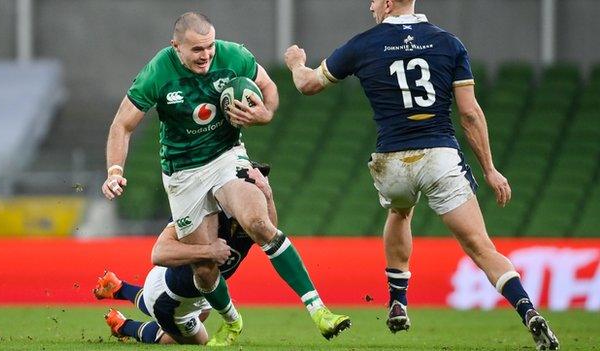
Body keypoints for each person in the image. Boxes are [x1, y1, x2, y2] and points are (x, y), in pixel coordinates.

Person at [283, 1, 559, 349]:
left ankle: (398, 299)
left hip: (391, 161)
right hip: (439, 156)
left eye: (373, 1)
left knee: (399, 211)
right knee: (480, 247)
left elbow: (308, 84)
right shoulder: (449, 44)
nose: (370, 7)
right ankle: (528, 311)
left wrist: (295, 63)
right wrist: (489, 169)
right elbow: (470, 114)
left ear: (386, 3)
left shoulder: (362, 44)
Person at [101, 12, 350, 345]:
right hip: (182, 173)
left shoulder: (233, 55)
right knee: (205, 266)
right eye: (196, 50)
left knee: (259, 223)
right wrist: (115, 170)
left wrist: (266, 113)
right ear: (176, 46)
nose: (206, 55)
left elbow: (268, 87)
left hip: (226, 155)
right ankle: (231, 321)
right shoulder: (157, 73)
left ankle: (319, 311)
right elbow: (122, 125)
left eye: (209, 46)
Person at [94, 166, 270, 346]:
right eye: (252, 189)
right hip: (167, 295)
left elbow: (270, 232)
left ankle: (118, 288)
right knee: (196, 341)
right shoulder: (201, 207)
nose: (256, 195)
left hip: (194, 293)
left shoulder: (250, 221)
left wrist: (268, 196)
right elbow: (159, 253)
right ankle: (123, 326)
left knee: (203, 312)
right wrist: (209, 252)